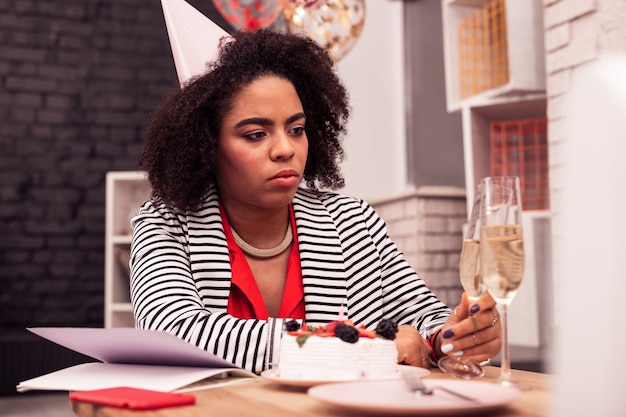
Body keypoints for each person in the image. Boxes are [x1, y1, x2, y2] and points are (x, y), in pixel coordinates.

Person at [129, 29, 501, 374]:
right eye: (256, 134)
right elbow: (172, 336)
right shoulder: (165, 223)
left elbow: (423, 317)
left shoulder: (353, 220)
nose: (285, 149)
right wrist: (365, 347)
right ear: (206, 146)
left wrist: (450, 339)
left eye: (296, 129)